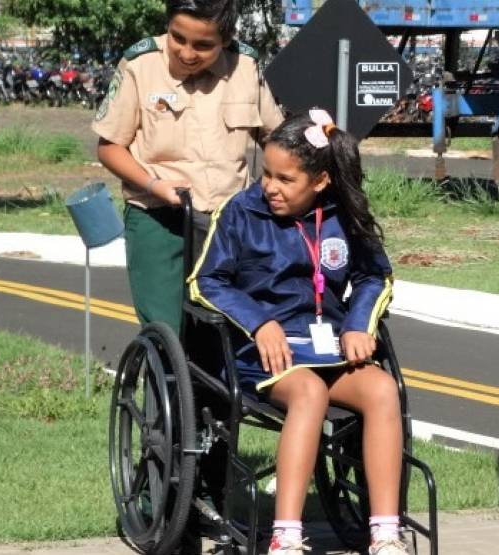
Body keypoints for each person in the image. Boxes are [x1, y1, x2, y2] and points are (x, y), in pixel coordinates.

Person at [189, 110, 409, 555]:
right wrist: (259, 321)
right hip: (263, 352)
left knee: (383, 388)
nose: (270, 186)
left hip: (328, 345)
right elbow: (206, 281)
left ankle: (385, 532)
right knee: (309, 392)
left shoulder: (344, 216)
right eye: (266, 173)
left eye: (285, 179)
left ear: (321, 181)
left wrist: (356, 325)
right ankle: (286, 537)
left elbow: (374, 276)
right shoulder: (241, 212)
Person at [92, 0, 284, 335]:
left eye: (203, 45)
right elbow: (110, 147)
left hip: (229, 222)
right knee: (165, 329)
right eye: (177, 38)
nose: (187, 52)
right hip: (159, 217)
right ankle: (166, 386)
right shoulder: (141, 64)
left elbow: (278, 141)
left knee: (227, 329)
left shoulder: (245, 65)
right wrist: (154, 185)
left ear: (226, 39)